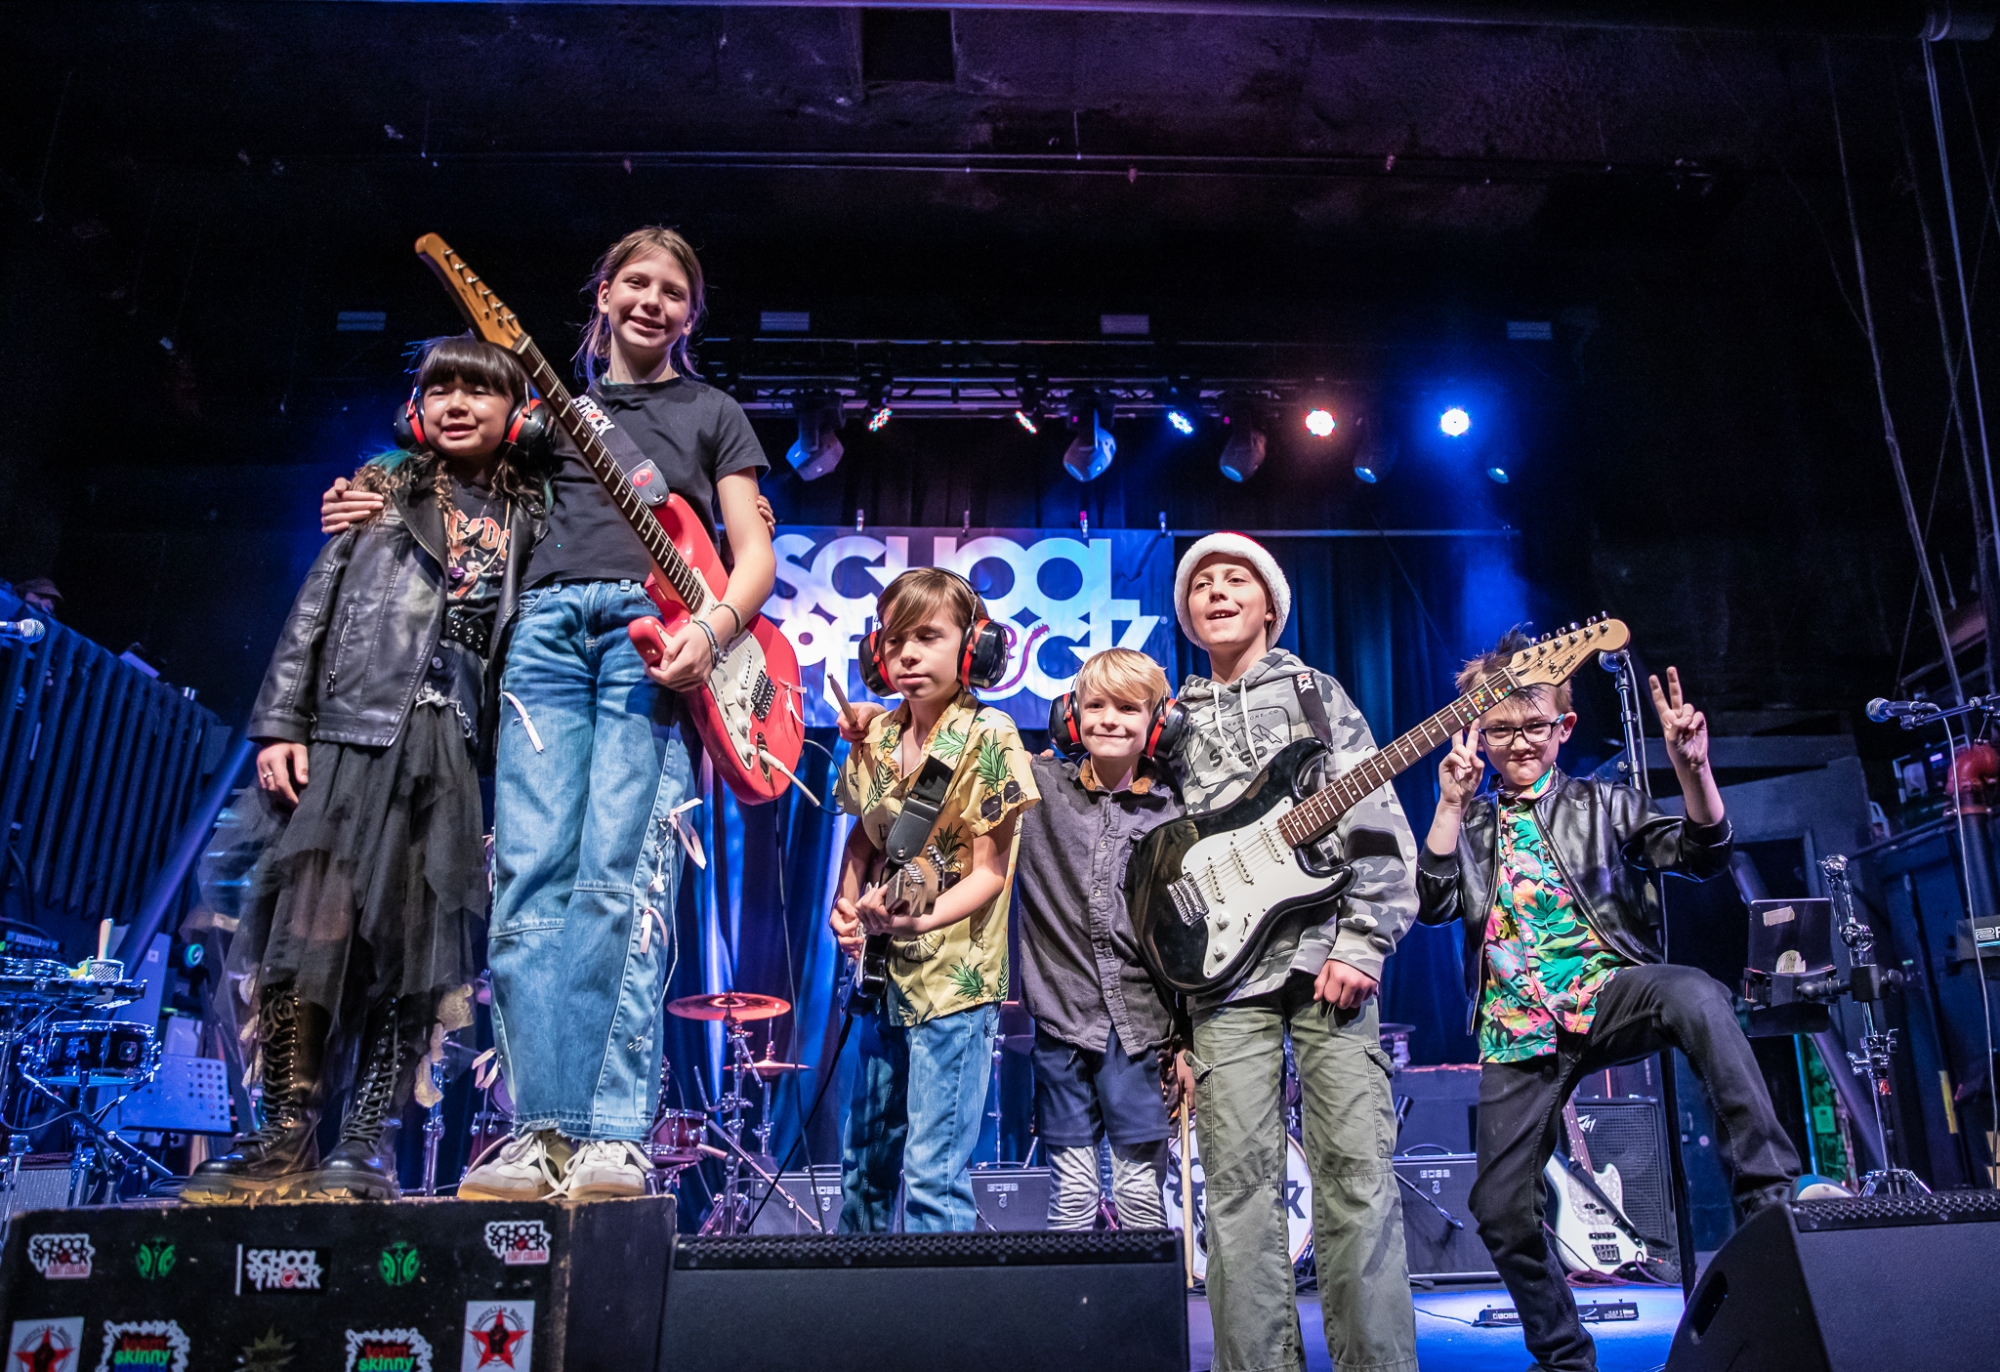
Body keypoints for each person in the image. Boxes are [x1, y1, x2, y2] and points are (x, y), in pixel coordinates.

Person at [320, 227, 776, 1200]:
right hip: (541, 638)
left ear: (689, 316)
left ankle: (613, 1132)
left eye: (674, 292)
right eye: (636, 283)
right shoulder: (535, 412)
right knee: (530, 884)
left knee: (619, 880)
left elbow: (752, 553)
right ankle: (541, 1130)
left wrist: (717, 622)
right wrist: (374, 503)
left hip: (652, 640)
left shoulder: (712, 412)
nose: (653, 301)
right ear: (603, 294)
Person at [186, 334, 546, 1202]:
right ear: (417, 406)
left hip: (451, 749)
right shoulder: (382, 490)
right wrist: (281, 722)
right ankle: (283, 1131)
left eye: (480, 390)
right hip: (350, 735)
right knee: (307, 937)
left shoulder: (534, 509)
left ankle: (367, 1141)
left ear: (515, 412)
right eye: (442, 388)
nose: (459, 403)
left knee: (414, 947)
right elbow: (315, 610)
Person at [1416, 633, 1803, 1372]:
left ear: (1563, 729)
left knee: (1695, 994)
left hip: (1608, 991)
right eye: (1501, 729)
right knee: (1499, 1213)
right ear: (1478, 733)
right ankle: (1565, 1357)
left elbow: (1702, 852)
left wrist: (1695, 771)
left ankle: (1769, 1197)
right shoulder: (1468, 822)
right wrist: (1449, 803)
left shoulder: (1601, 803)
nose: (1519, 741)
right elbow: (1432, 903)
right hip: (1517, 1025)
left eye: (1535, 726)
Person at [1166, 533, 1419, 1372]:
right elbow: (1159, 865)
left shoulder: (1316, 693)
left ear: (1270, 605)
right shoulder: (1177, 720)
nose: (1218, 590)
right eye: (1201, 583)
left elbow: (1376, 815)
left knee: (1356, 1177)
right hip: (1223, 986)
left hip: (1327, 961)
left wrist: (1365, 940)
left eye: (1237, 578)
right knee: (1234, 1191)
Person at [828, 568, 1039, 1232]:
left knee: (931, 1180)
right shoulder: (877, 737)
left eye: (928, 637)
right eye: (894, 642)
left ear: (973, 648)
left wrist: (911, 914)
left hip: (954, 985)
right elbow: (864, 839)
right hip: (884, 979)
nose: (908, 654)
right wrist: (845, 903)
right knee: (862, 1169)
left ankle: (934, 1331)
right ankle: (856, 1324)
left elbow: (988, 874)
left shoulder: (990, 735)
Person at [1016, 647, 1183, 1229]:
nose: (1109, 719)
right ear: (1072, 716)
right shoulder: (1036, 787)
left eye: (1128, 709)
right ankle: (1075, 1322)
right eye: (1095, 706)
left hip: (1140, 1033)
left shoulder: (1176, 809)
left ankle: (1142, 1321)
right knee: (1072, 1197)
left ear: (1157, 724)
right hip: (1061, 1023)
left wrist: (1184, 1039)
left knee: (1140, 1196)